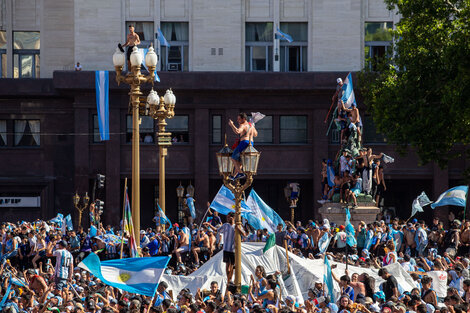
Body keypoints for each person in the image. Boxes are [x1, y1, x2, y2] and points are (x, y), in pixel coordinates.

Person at [214, 212, 246, 283]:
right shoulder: (225, 225)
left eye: (229, 217)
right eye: (227, 217)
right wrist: (209, 225)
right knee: (227, 267)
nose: (228, 219)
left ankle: (230, 279)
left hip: (233, 249)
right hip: (226, 248)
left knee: (231, 267)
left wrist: (238, 229)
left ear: (233, 218)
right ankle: (228, 280)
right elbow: (217, 230)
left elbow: (244, 234)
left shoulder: (237, 226)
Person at [228, 113, 258, 180]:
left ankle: (240, 173)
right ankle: (234, 175)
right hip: (251, 144)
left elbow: (237, 131)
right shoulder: (251, 126)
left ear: (244, 119)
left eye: (239, 119)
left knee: (233, 158)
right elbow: (256, 134)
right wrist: (253, 126)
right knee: (240, 162)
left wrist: (232, 125)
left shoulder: (243, 125)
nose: (238, 121)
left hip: (244, 142)